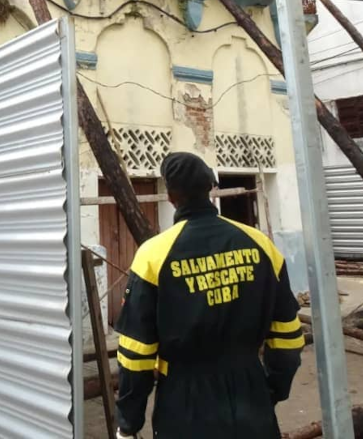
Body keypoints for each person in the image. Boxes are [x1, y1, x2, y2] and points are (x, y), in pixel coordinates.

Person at [114, 152, 304, 439]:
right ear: (211, 188)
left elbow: (136, 354)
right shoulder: (260, 244)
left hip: (184, 406)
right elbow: (287, 334)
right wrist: (272, 389)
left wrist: (129, 423)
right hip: (252, 397)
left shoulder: (153, 255)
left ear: (170, 196)